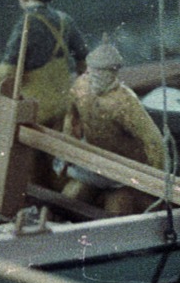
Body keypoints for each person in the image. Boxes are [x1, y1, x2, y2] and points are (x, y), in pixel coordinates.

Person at [60, 37, 167, 215]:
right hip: (96, 161)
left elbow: (153, 140)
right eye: (95, 70)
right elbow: (72, 120)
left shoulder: (125, 103)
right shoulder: (80, 88)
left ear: (114, 71)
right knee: (70, 196)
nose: (98, 75)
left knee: (116, 207)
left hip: (128, 168)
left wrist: (155, 180)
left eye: (105, 71)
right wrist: (67, 153)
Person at [0, 0, 89, 128]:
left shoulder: (26, 23)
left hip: (35, 108)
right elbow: (83, 59)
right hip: (65, 101)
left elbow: (8, 67)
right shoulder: (64, 19)